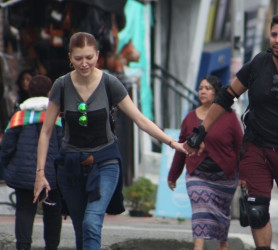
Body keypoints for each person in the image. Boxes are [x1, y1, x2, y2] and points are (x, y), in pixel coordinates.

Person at [32, 32, 187, 250]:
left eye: (89, 57)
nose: (84, 63)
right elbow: (46, 131)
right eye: (78, 59)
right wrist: (40, 174)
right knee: (80, 230)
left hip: (105, 162)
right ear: (70, 57)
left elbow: (140, 120)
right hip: (71, 165)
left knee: (91, 223)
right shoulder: (61, 85)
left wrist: (173, 143)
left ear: (97, 55)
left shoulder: (110, 83)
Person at [184, 14, 278, 250]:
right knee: (257, 210)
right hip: (257, 147)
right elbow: (226, 96)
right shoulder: (259, 64)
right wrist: (202, 131)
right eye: (274, 35)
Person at [168, 76, 243, 250]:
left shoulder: (230, 117)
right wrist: (173, 175)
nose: (202, 91)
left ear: (217, 92)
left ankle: (223, 245)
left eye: (207, 88)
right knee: (200, 209)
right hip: (197, 174)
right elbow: (182, 149)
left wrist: (245, 175)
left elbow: (241, 147)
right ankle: (198, 247)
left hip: (225, 176)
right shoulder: (190, 118)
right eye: (201, 88)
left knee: (221, 215)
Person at [1, 75, 63, 250]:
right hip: (51, 174)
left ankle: (23, 246)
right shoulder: (56, 117)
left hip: (23, 174)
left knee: (24, 211)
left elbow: (6, 146)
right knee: (52, 212)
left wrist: (10, 166)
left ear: (29, 90)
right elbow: (63, 146)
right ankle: (51, 247)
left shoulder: (19, 117)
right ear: (50, 92)